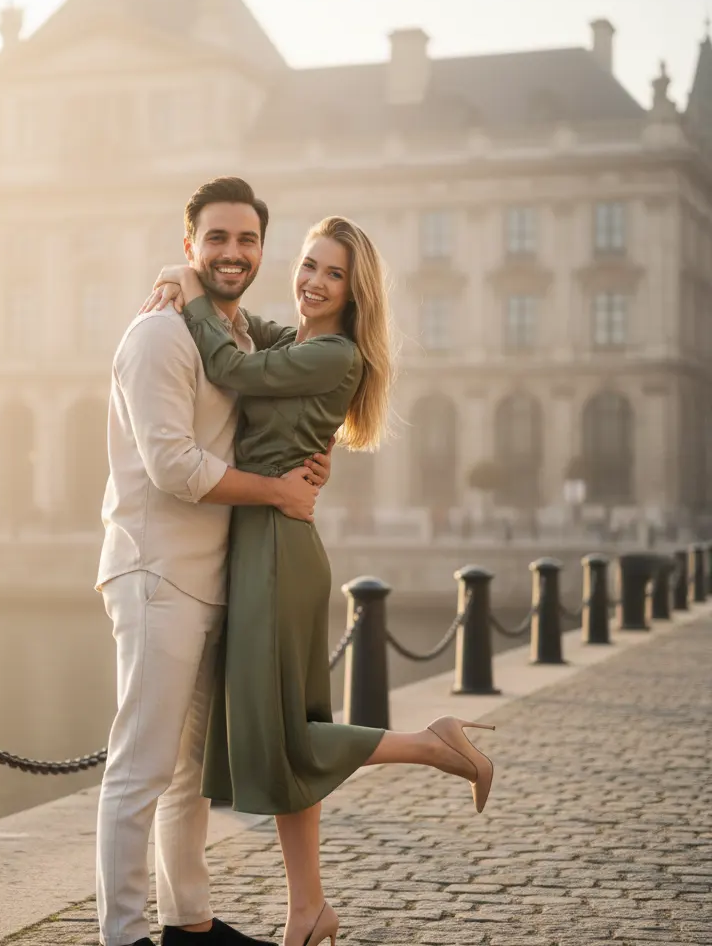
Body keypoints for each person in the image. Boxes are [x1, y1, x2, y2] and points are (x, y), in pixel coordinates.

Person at [144, 213, 496, 946]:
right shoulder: (297, 342)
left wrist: (188, 291)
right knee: (288, 731)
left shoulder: (333, 354)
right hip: (270, 544)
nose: (313, 281)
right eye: (308, 265)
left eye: (332, 273)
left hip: (275, 550)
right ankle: (308, 908)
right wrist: (196, 284)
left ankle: (434, 743)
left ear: (353, 291)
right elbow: (249, 337)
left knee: (282, 741)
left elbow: (230, 366)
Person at [95, 177, 336, 946]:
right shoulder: (160, 335)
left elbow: (282, 390)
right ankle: (124, 934)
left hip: (209, 576)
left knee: (188, 776)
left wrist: (306, 466)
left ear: (261, 249)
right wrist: (279, 493)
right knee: (140, 769)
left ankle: (186, 924)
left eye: (248, 240)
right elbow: (173, 466)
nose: (235, 252)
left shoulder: (232, 335)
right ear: (191, 241)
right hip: (154, 571)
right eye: (218, 239)